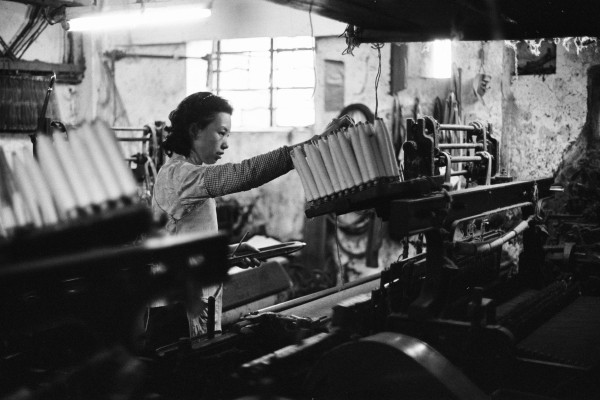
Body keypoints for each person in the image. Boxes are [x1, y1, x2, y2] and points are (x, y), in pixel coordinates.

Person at [152, 92, 351, 338]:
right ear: (195, 131)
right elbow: (245, 174)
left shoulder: (187, 175)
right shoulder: (179, 176)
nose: (225, 143)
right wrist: (315, 144)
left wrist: (232, 251)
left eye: (228, 135)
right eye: (220, 133)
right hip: (177, 312)